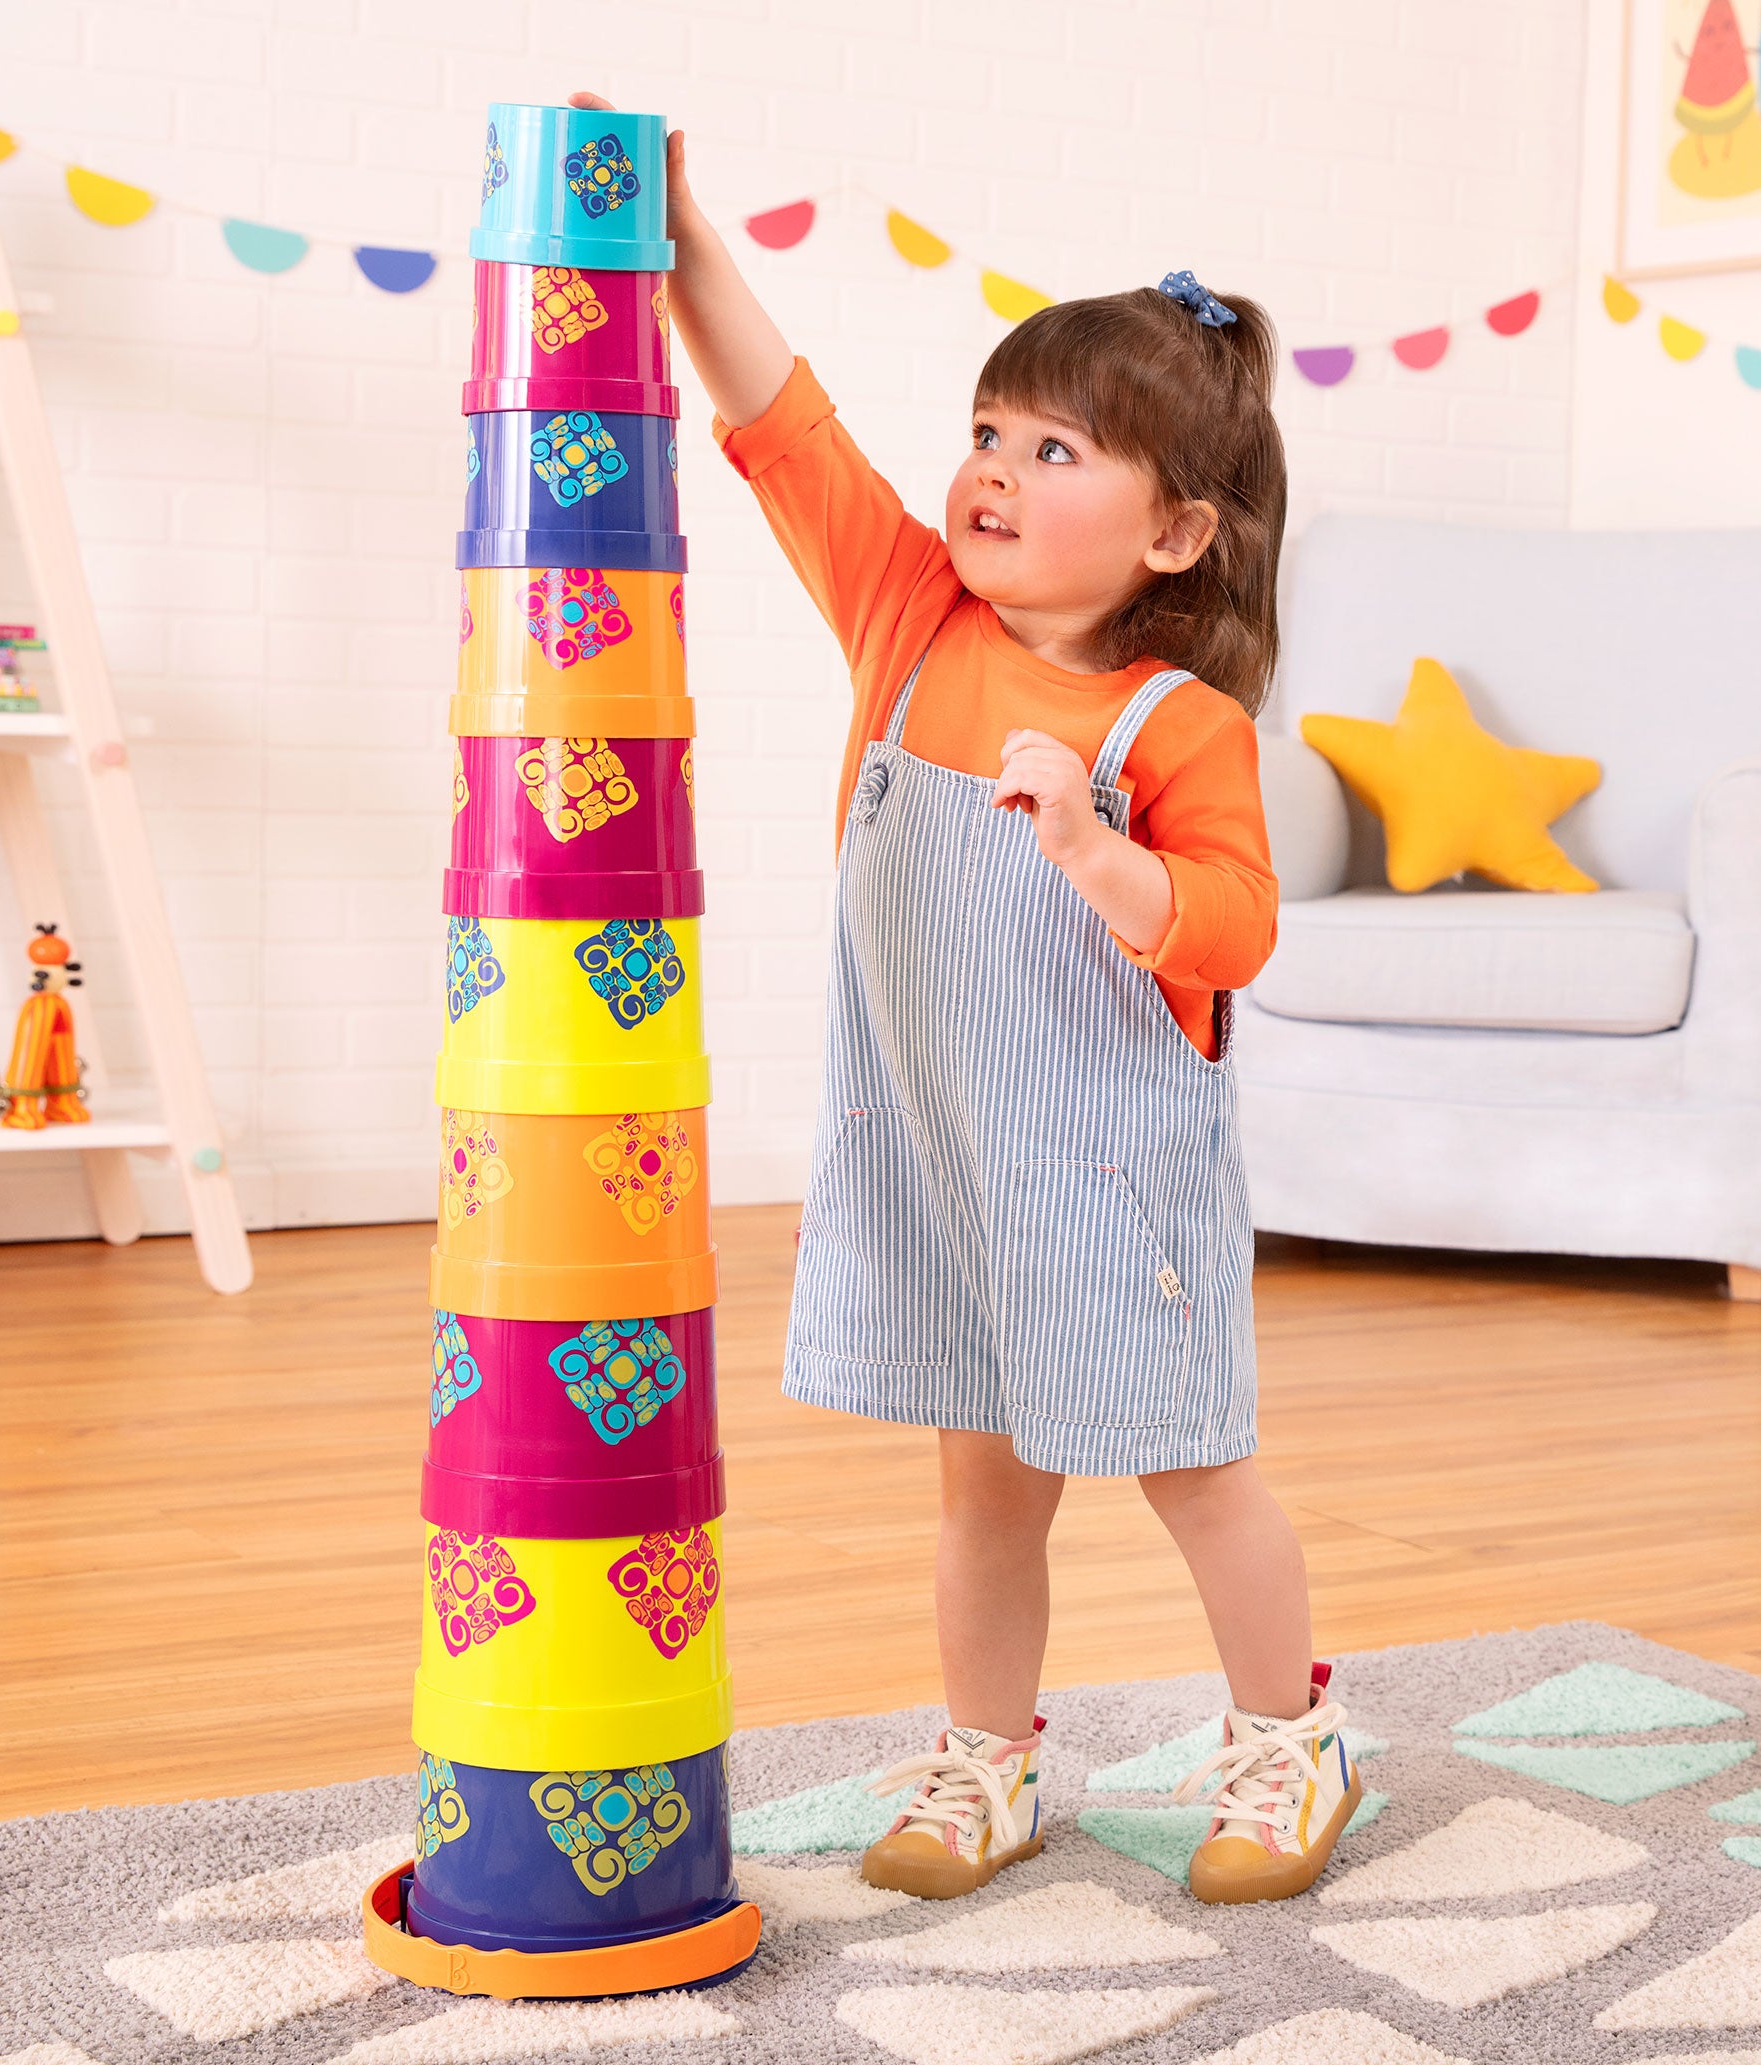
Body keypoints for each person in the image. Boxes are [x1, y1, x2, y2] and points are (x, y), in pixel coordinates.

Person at [582, 95, 1358, 1905]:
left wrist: (1095, 850)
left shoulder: (1181, 728)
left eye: (1055, 448)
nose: (993, 470)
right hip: (943, 1169)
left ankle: (1288, 1741)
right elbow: (786, 429)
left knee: (1194, 1472)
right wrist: (679, 233)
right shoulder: (909, 620)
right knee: (983, 1491)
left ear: (1178, 533)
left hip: (1115, 1192)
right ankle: (988, 1761)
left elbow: (1235, 932)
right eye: (989, 433)